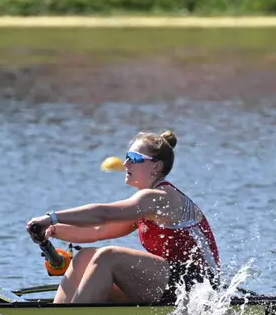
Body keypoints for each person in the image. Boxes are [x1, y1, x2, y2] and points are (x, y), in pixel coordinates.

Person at [24, 130, 219, 305]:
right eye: (127, 156)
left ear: (156, 167)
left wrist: (52, 217)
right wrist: (54, 231)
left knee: (107, 257)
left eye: (134, 158)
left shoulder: (160, 198)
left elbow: (104, 215)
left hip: (197, 286)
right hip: (170, 281)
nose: (125, 163)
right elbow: (100, 230)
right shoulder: (145, 205)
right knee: (84, 257)